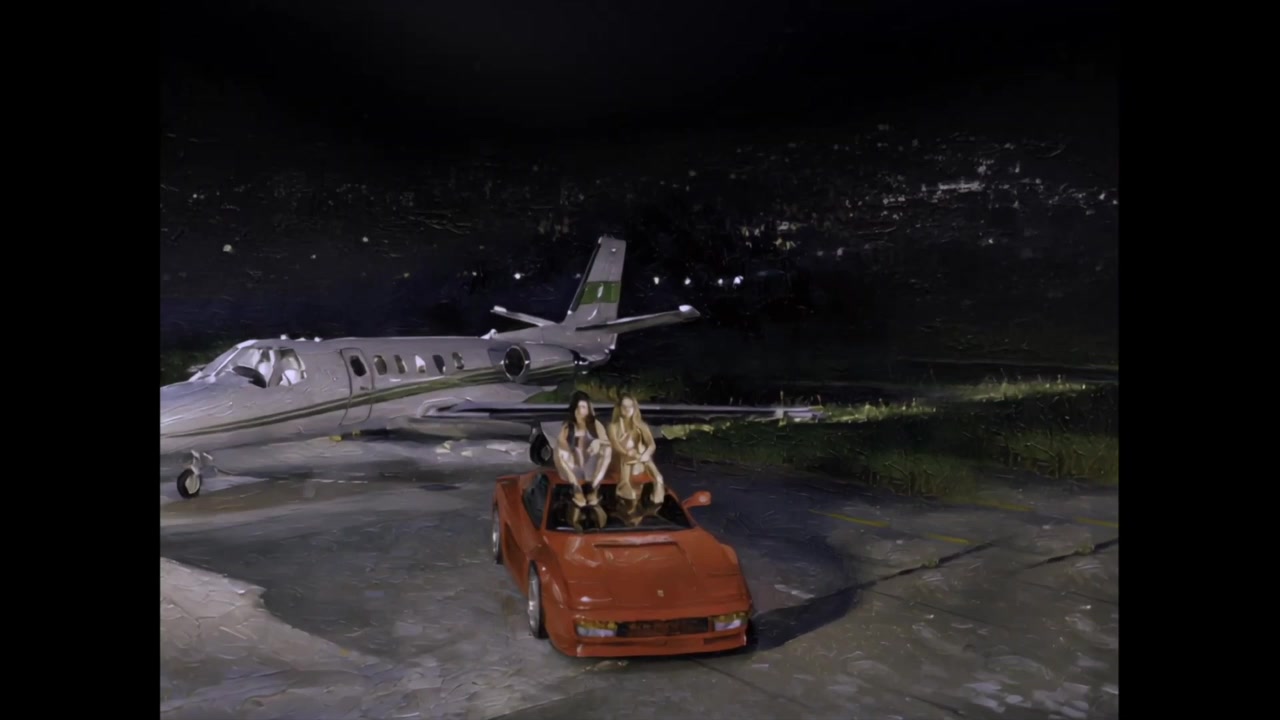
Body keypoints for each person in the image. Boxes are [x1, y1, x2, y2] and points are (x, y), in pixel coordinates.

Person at [555, 391, 611, 528]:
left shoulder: (595, 425)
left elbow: (608, 443)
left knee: (607, 450)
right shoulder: (568, 427)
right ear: (574, 410)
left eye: (584, 407)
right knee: (559, 451)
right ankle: (576, 489)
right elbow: (560, 447)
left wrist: (598, 442)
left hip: (591, 470)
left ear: (589, 409)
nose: (581, 411)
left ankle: (594, 488)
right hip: (574, 469)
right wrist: (570, 449)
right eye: (578, 408)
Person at [607, 392, 665, 507]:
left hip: (639, 462)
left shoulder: (641, 426)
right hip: (619, 462)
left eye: (630, 406)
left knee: (642, 449)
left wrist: (645, 454)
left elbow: (651, 445)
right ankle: (624, 484)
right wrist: (628, 452)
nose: (627, 409)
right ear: (619, 408)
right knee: (628, 448)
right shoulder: (613, 426)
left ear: (635, 408)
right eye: (624, 406)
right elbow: (615, 445)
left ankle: (658, 480)